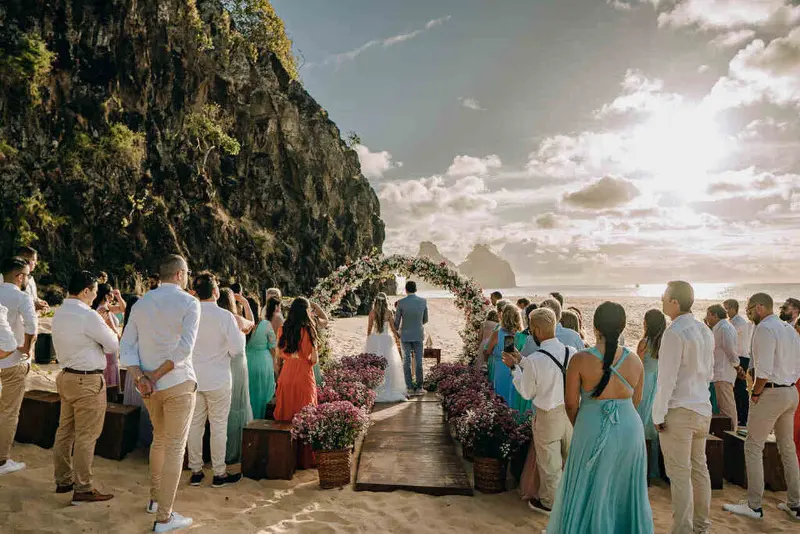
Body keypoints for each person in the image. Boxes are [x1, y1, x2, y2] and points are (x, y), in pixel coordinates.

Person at [546, 301, 652, 533]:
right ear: (623, 327)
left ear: (595, 327)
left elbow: (571, 403)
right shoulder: (635, 360)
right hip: (629, 430)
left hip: (591, 426)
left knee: (589, 485)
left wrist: (583, 423)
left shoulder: (580, 360)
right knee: (623, 487)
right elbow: (637, 400)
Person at [120, 254, 199, 532]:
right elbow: (184, 350)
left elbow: (126, 346)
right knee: (175, 447)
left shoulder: (141, 304)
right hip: (177, 382)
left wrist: (140, 377)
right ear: (179, 274)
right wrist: (152, 376)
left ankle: (155, 500)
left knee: (160, 440)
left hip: (149, 387)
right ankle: (164, 517)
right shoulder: (189, 303)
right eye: (187, 272)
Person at [724, 293, 800, 520]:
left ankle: (754, 505)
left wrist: (756, 393)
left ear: (759, 308)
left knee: (753, 446)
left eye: (748, 309)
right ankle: (796, 504)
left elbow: (764, 370)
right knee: (787, 448)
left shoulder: (765, 329)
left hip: (771, 392)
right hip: (790, 391)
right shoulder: (789, 330)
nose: (746, 313)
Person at [51, 271, 119, 504]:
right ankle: (83, 488)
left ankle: (63, 480)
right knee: (86, 436)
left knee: (64, 431)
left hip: (66, 376)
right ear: (86, 291)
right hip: (87, 380)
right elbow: (112, 344)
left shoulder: (60, 312)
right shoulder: (87, 315)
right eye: (95, 292)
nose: (95, 296)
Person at [654, 281, 714, 534]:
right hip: (702, 407)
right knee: (699, 469)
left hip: (680, 409)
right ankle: (702, 526)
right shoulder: (704, 330)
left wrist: (657, 414)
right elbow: (709, 373)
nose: (662, 300)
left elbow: (666, 379)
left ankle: (683, 529)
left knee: (680, 475)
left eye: (664, 296)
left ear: (675, 302)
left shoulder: (674, 332)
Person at [503, 308, 576, 515]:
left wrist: (514, 368)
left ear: (536, 329)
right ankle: (570, 499)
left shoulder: (536, 359)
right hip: (571, 414)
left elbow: (527, 392)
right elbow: (549, 368)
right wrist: (521, 360)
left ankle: (550, 503)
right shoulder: (572, 352)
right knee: (569, 459)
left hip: (547, 416)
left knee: (550, 465)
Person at [187, 273, 244, 489]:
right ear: (215, 292)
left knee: (195, 425)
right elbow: (237, 349)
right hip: (219, 378)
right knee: (219, 427)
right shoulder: (225, 316)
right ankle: (219, 473)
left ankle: (196, 471)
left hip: (194, 377)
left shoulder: (189, 314)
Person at [0, 256, 37, 476]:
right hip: (12, 360)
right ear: (19, 276)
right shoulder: (22, 296)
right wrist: (27, 348)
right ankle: (2, 460)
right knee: (9, 412)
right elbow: (32, 326)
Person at [219, 291, 255, 475]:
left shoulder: (218, 319)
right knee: (238, 405)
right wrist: (245, 303)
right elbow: (252, 324)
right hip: (238, 366)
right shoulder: (237, 319)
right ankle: (235, 450)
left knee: (223, 410)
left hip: (223, 365)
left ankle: (221, 451)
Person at [274, 297, 319, 422]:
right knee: (305, 417)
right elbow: (315, 360)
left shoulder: (282, 329)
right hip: (304, 375)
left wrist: (290, 357)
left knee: (286, 414)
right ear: (306, 311)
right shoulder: (309, 330)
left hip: (287, 374)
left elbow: (278, 353)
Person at [636, 309, 666, 478]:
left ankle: (644, 471)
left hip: (646, 384)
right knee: (656, 425)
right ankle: (659, 470)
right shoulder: (665, 342)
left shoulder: (644, 343)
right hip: (660, 383)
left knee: (644, 426)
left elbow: (637, 366)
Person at [121, 296, 153, 449]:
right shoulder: (141, 327)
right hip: (140, 371)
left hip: (131, 372)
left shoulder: (128, 326)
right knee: (142, 405)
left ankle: (132, 439)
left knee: (133, 403)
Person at [366, 293, 407, 402]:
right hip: (386, 340)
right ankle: (388, 385)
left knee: (375, 364)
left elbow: (369, 328)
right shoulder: (388, 313)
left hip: (375, 339)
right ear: (385, 301)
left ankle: (376, 386)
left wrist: (368, 339)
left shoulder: (372, 312)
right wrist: (397, 338)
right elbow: (393, 329)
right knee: (389, 363)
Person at [706, 304, 741, 432]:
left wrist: (737, 366)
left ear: (715, 315)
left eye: (708, 314)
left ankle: (732, 433)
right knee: (722, 407)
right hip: (719, 373)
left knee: (727, 407)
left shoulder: (725, 328)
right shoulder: (718, 327)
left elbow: (730, 350)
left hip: (723, 373)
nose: (707, 317)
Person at [394, 281, 429, 395]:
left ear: (406, 290)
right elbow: (425, 319)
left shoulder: (401, 303)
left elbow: (396, 322)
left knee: (406, 362)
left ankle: (409, 387)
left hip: (405, 335)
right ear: (416, 289)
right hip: (418, 335)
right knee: (419, 361)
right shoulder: (423, 301)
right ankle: (419, 387)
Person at [724, 299, 754, 427]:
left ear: (733, 308)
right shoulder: (731, 322)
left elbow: (730, 337)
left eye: (727, 308)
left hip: (742, 357)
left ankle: (743, 417)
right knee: (736, 388)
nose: (726, 311)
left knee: (741, 388)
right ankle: (740, 416)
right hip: (738, 357)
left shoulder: (739, 323)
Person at [484, 304, 522, 406]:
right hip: (517, 368)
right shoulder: (520, 334)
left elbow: (488, 351)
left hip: (503, 367)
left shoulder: (500, 334)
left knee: (501, 396)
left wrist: (489, 356)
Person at [248, 296, 279, 418]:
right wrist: (275, 364)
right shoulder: (265, 324)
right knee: (262, 393)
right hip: (263, 362)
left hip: (247, 361)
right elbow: (273, 346)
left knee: (249, 393)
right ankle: (260, 418)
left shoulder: (242, 324)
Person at [92, 284, 123, 401]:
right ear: (106, 295)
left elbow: (123, 309)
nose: (112, 294)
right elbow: (114, 330)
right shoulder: (103, 309)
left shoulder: (106, 307)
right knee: (110, 372)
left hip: (108, 345)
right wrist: (123, 343)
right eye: (111, 292)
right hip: (109, 345)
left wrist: (119, 296)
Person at [15, 246, 49, 313]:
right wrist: (34, 305)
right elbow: (13, 300)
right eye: (33, 260)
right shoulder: (10, 279)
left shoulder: (30, 278)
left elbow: (32, 297)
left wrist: (39, 301)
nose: (36, 263)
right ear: (24, 258)